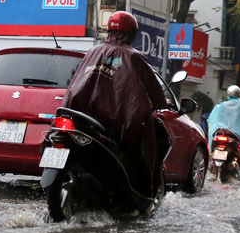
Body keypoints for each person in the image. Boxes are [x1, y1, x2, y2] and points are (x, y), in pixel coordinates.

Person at [62, 11, 168, 199]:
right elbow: (152, 89)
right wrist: (160, 102)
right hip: (115, 121)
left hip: (84, 117)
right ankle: (143, 194)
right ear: (132, 33)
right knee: (143, 146)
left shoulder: (93, 51)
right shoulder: (133, 56)